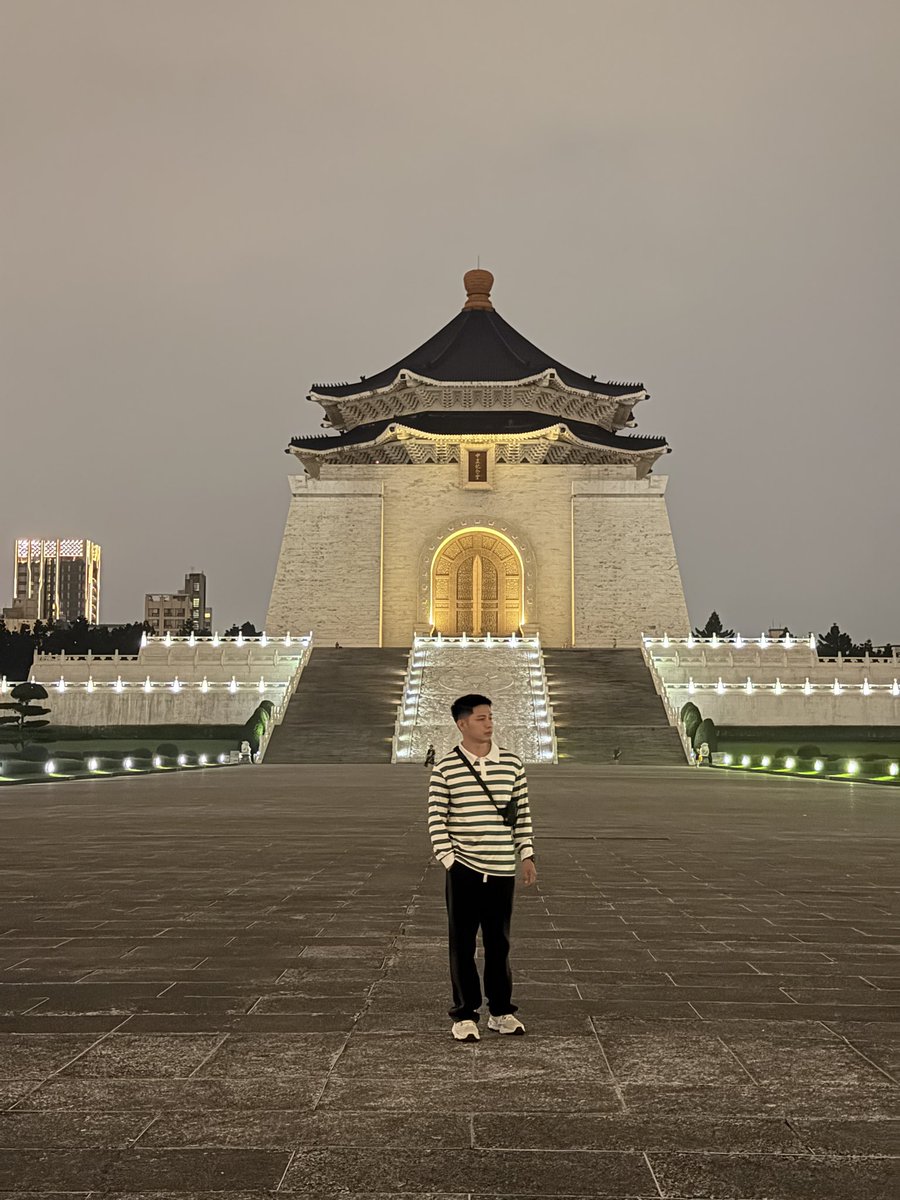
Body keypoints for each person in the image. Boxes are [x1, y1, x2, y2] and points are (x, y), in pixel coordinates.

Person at [427, 693, 536, 1042]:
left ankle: (501, 1011)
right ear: (462, 724)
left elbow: (521, 814)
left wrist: (527, 854)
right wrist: (449, 860)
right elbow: (435, 818)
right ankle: (464, 1013)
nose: (488, 723)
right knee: (462, 943)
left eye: (490, 717)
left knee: (499, 943)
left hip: (502, 867)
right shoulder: (445, 767)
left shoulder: (513, 765)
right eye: (480, 718)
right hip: (465, 869)